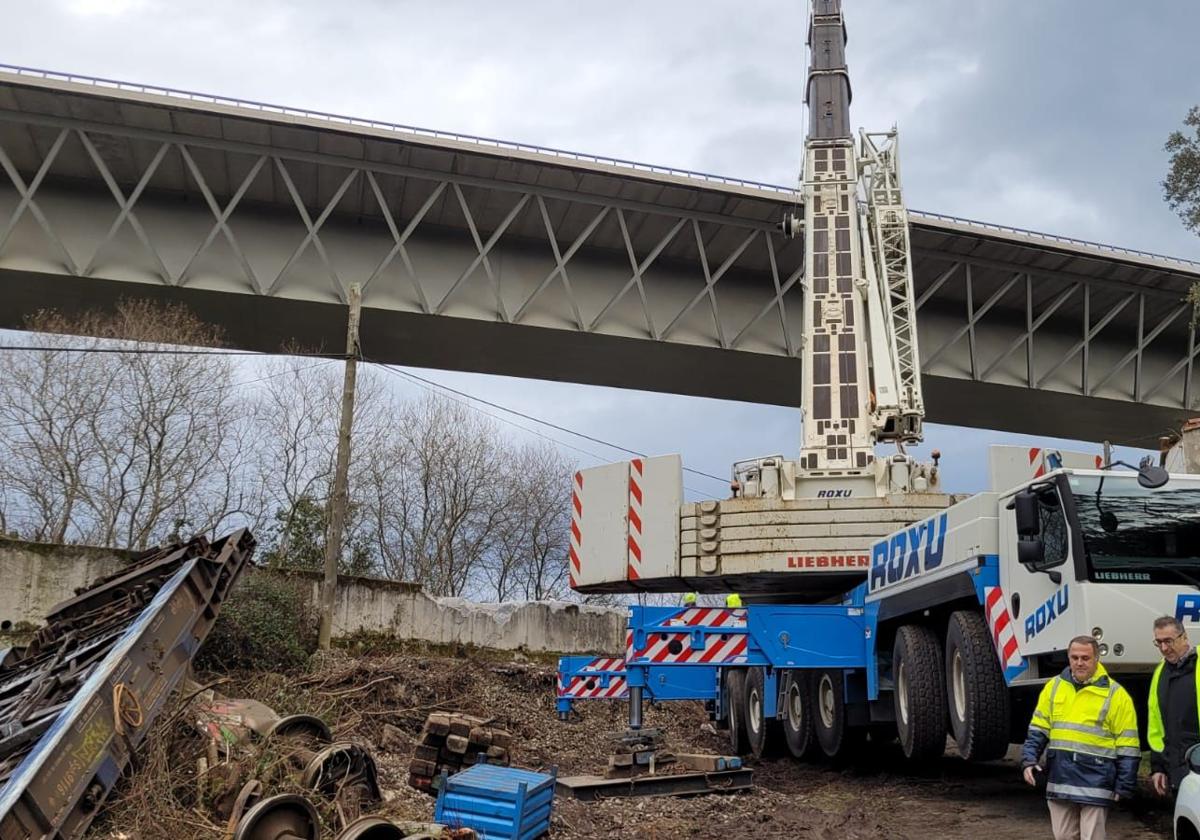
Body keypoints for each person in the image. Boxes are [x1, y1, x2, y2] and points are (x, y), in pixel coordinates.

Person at [1021, 635, 1139, 840]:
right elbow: (1038, 729)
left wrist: (1124, 784)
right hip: (1061, 778)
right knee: (1063, 836)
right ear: (1068, 658)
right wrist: (1028, 760)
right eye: (1074, 657)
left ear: (1097, 659)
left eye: (1085, 658)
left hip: (1096, 781)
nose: (1079, 663)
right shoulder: (1054, 687)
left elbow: (1127, 744)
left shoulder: (1116, 695)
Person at [1149, 615, 1200, 797]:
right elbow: (1156, 727)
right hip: (1178, 773)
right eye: (1159, 642)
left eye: (1168, 641)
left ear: (1184, 637)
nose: (1164, 648)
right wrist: (1158, 767)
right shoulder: (1160, 673)